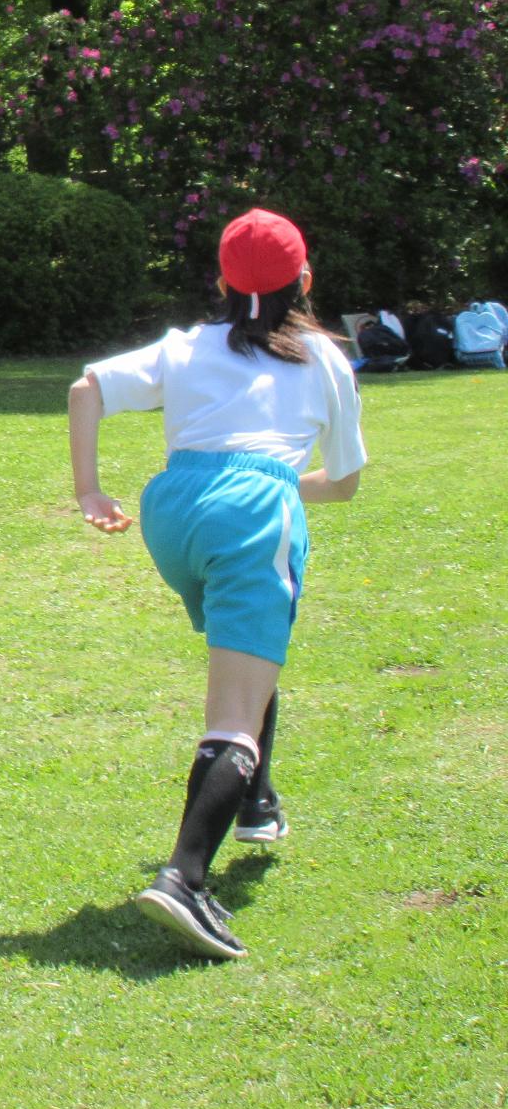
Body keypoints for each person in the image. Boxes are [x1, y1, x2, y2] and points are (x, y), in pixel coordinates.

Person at [70, 208, 366, 960]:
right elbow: (344, 483)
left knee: (247, 652)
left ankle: (256, 803)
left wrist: (89, 492)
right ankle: (185, 878)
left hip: (174, 511)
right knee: (235, 705)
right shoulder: (324, 358)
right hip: (253, 512)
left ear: (223, 280)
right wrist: (273, 483)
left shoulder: (185, 346)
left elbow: (86, 389)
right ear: (305, 279)